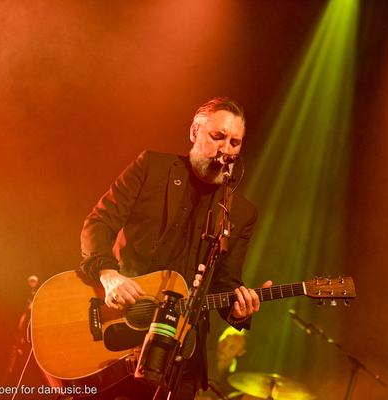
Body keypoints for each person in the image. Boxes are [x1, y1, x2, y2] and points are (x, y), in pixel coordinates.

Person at [79, 97, 272, 400]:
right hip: (116, 324)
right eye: (218, 137)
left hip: (180, 349)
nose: (226, 150)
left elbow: (226, 281)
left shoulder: (242, 213)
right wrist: (107, 274)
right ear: (195, 131)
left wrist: (238, 310)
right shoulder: (151, 166)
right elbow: (99, 222)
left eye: (235, 143)